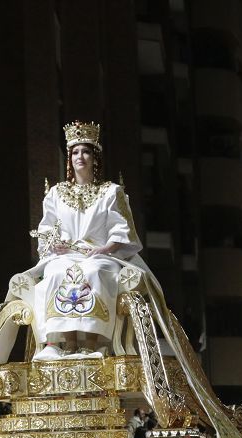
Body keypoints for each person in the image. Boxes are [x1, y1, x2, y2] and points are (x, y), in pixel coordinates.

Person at [18, 122, 147, 361]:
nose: (80, 156)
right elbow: (47, 231)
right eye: (75, 152)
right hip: (66, 255)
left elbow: (123, 230)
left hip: (102, 255)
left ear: (94, 157)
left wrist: (104, 248)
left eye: (85, 151)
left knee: (95, 271)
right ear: (69, 158)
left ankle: (92, 342)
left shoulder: (110, 192)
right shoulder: (56, 193)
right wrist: (54, 245)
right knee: (57, 272)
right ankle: (65, 343)